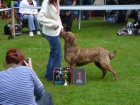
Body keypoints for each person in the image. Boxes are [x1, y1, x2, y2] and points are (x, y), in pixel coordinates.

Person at [37, 0, 63, 81]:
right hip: (50, 32)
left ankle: (48, 74)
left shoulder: (56, 1)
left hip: (56, 31)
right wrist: (54, 24)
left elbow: (57, 16)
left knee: (54, 53)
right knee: (57, 55)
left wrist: (61, 27)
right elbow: (40, 18)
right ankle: (53, 76)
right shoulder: (46, 2)